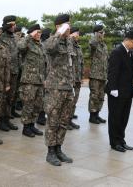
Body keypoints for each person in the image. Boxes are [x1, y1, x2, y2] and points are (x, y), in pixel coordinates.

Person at [44, 14, 74, 166]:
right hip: (55, 88)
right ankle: (50, 152)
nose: (69, 28)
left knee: (64, 121)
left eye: (69, 25)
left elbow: (70, 64)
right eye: (66, 25)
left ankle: (58, 149)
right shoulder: (52, 40)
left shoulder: (69, 42)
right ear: (58, 26)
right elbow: (48, 47)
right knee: (53, 121)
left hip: (68, 88)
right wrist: (59, 33)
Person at [106, 31, 133, 152]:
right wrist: (113, 88)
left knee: (124, 117)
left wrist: (132, 87)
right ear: (127, 40)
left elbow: (130, 72)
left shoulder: (130, 53)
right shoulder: (117, 52)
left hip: (127, 91)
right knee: (115, 117)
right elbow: (112, 72)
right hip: (117, 91)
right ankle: (114, 143)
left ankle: (121, 140)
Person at [18, 24, 45, 137]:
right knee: (28, 105)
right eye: (37, 32)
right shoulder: (27, 43)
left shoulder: (41, 45)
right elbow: (20, 47)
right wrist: (29, 36)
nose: (39, 34)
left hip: (39, 80)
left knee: (37, 105)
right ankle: (26, 127)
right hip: (29, 80)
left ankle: (32, 125)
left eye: (40, 32)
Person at [0, 15, 19, 131]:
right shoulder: (0, 36)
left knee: (11, 97)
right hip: (3, 72)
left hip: (14, 71)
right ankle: (0, 121)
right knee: (2, 98)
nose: (14, 26)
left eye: (15, 24)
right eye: (12, 24)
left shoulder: (15, 38)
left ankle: (7, 119)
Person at [88, 24, 108, 124]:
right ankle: (92, 116)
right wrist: (96, 35)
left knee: (101, 96)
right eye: (101, 32)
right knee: (94, 96)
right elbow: (92, 43)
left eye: (103, 32)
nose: (103, 34)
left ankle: (97, 114)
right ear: (96, 33)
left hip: (103, 75)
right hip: (95, 75)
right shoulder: (94, 43)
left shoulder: (103, 45)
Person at [68, 27, 83, 130]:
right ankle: (66, 121)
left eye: (78, 34)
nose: (78, 35)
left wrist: (81, 77)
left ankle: (69, 119)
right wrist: (71, 37)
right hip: (70, 78)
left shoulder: (78, 47)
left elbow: (81, 63)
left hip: (77, 78)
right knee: (69, 101)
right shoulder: (69, 45)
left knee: (74, 100)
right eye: (76, 33)